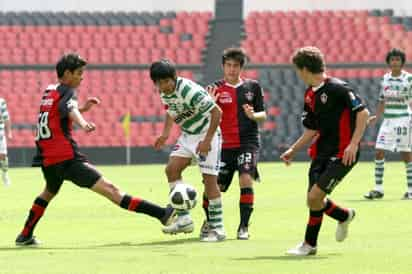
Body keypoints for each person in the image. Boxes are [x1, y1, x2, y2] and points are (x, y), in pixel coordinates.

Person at [15, 53, 175, 246]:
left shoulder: (50, 91)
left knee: (48, 192)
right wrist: (83, 122)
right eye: (79, 73)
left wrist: (82, 109)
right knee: (112, 191)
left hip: (48, 158)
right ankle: (163, 214)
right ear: (67, 73)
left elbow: (61, 112)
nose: (82, 77)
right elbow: (70, 108)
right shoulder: (67, 91)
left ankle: (25, 234)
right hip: (66, 158)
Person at [280, 47, 369, 256]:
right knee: (314, 199)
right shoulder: (310, 94)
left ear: (304, 70)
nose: (297, 74)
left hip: (342, 154)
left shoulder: (338, 88)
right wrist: (293, 150)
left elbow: (363, 113)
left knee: (314, 197)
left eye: (297, 70)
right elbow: (312, 129)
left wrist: (354, 144)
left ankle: (309, 245)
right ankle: (343, 216)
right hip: (320, 153)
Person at [150, 59, 225, 242]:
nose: (163, 86)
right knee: (171, 169)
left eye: (166, 81)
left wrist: (207, 141)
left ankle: (217, 228)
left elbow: (217, 113)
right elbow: (171, 111)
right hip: (188, 136)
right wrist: (165, 134)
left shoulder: (189, 90)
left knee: (209, 181)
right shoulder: (164, 93)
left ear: (174, 78)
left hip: (208, 134)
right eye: (159, 83)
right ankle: (184, 219)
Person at [204, 48, 266, 240]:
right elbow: (204, 119)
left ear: (241, 67)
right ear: (223, 66)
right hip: (222, 146)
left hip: (248, 142)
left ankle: (243, 227)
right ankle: (210, 222)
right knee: (215, 187)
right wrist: (209, 106)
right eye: (228, 65)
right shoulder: (213, 89)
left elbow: (263, 115)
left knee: (245, 179)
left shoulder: (252, 87)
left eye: (236, 66)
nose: (231, 69)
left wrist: (252, 115)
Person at [364, 48, 412, 200]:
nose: (395, 62)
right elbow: (382, 99)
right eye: (392, 60)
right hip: (388, 121)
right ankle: (378, 189)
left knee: (406, 154)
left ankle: (410, 189)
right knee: (379, 150)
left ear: (402, 62)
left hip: (404, 119)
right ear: (389, 62)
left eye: (398, 60)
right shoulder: (385, 78)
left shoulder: (409, 79)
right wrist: (376, 117)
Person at [0, 97, 12, 186]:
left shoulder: (1, 101)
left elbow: (6, 117)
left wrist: (9, 132)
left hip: (0, 132)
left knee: (2, 155)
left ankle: (4, 173)